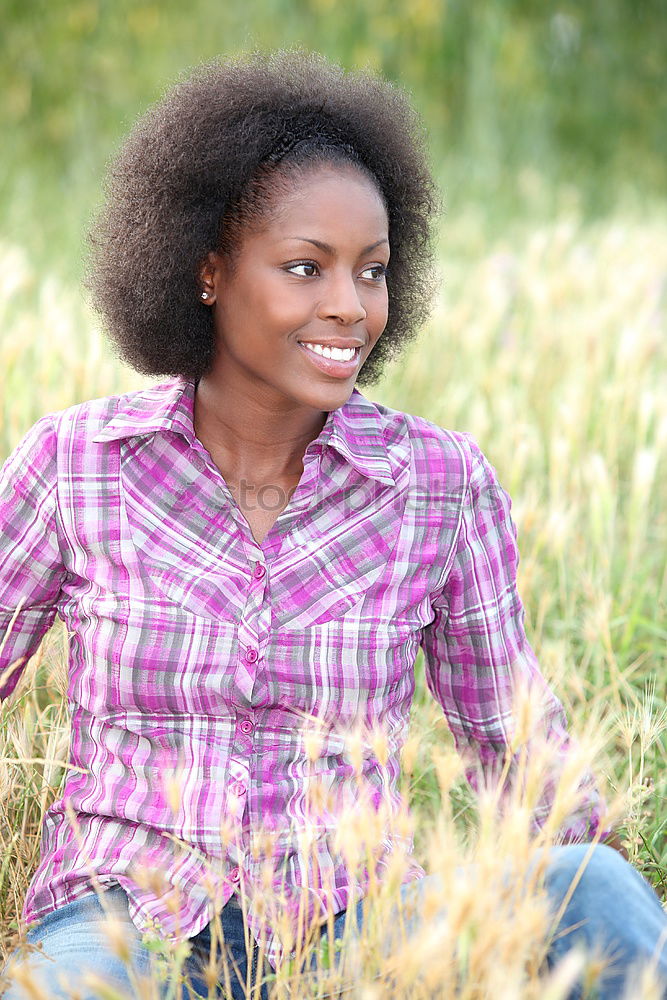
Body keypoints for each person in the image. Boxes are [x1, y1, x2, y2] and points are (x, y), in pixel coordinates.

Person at [1, 50, 665, 1000]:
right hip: (121, 925)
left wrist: (575, 867)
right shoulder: (77, 465)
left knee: (589, 888)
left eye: (373, 271)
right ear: (206, 272)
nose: (349, 308)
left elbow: (513, 742)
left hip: (356, 926)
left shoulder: (438, 484)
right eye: (305, 268)